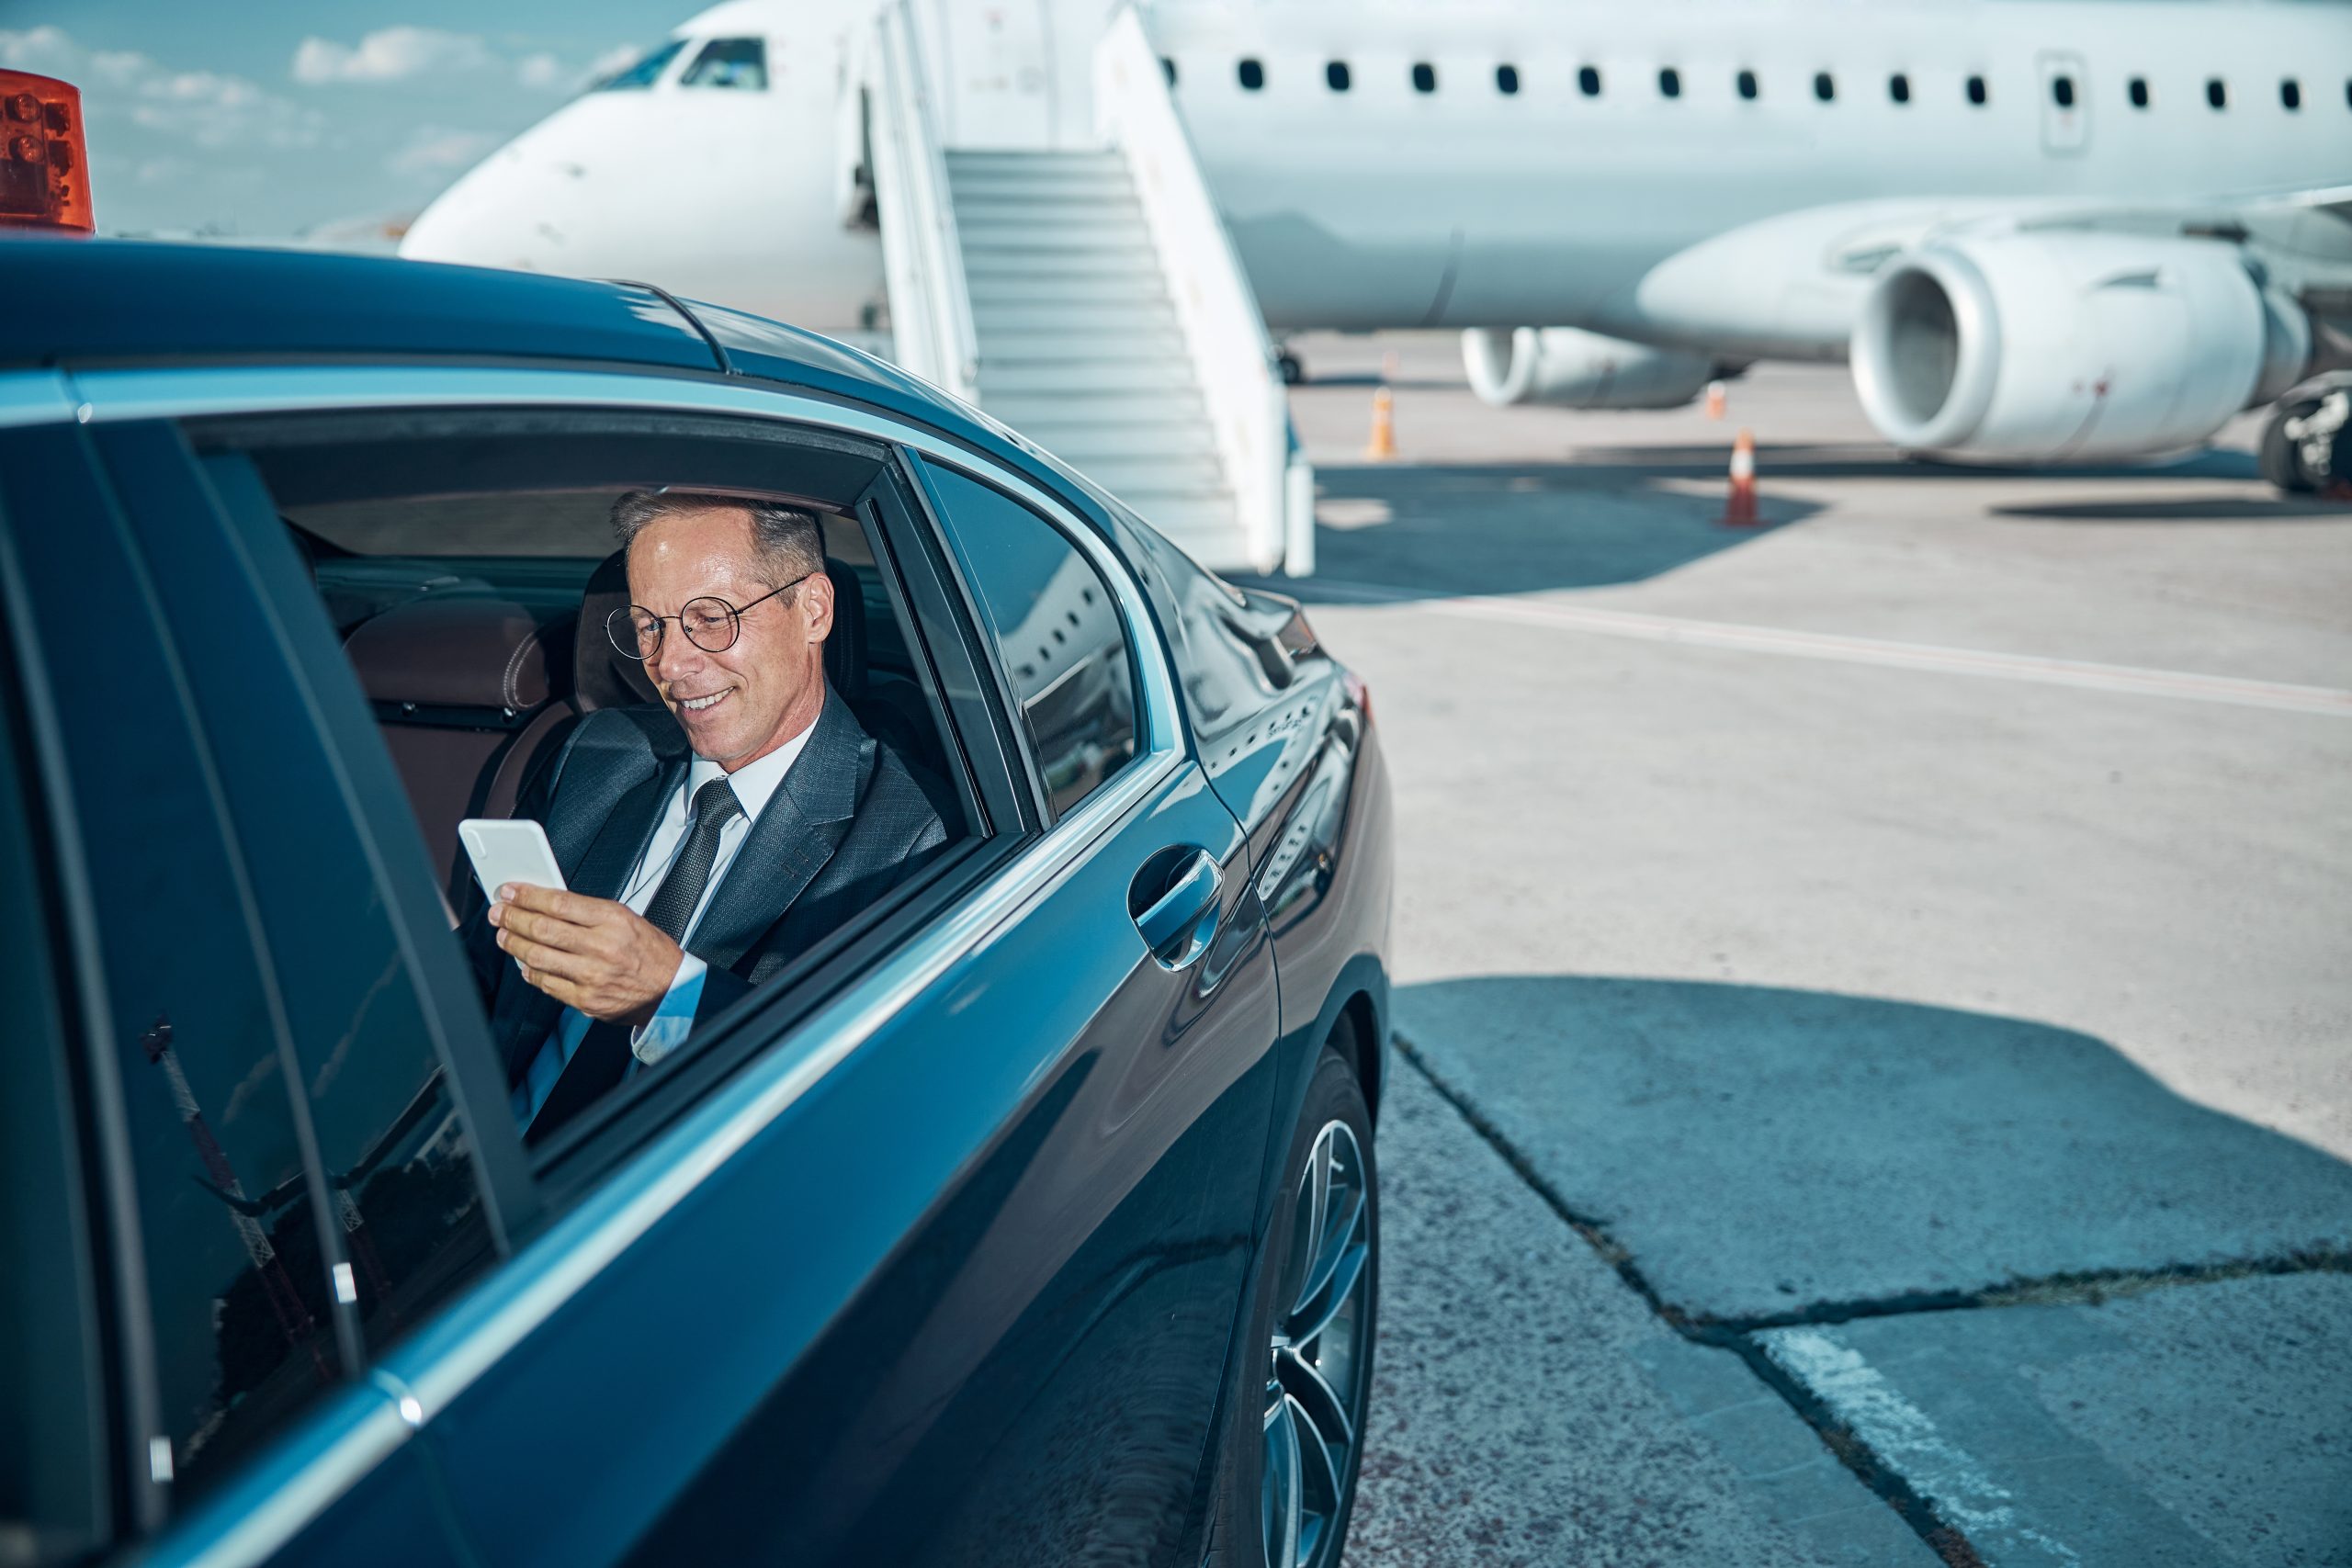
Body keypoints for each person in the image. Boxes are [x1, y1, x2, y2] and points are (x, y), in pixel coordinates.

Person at [467, 490, 947, 1143]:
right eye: (648, 624)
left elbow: (860, 1104)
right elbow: (474, 986)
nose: (668, 663)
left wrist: (668, 996)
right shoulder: (596, 757)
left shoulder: (906, 836)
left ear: (813, 609)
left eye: (711, 617)